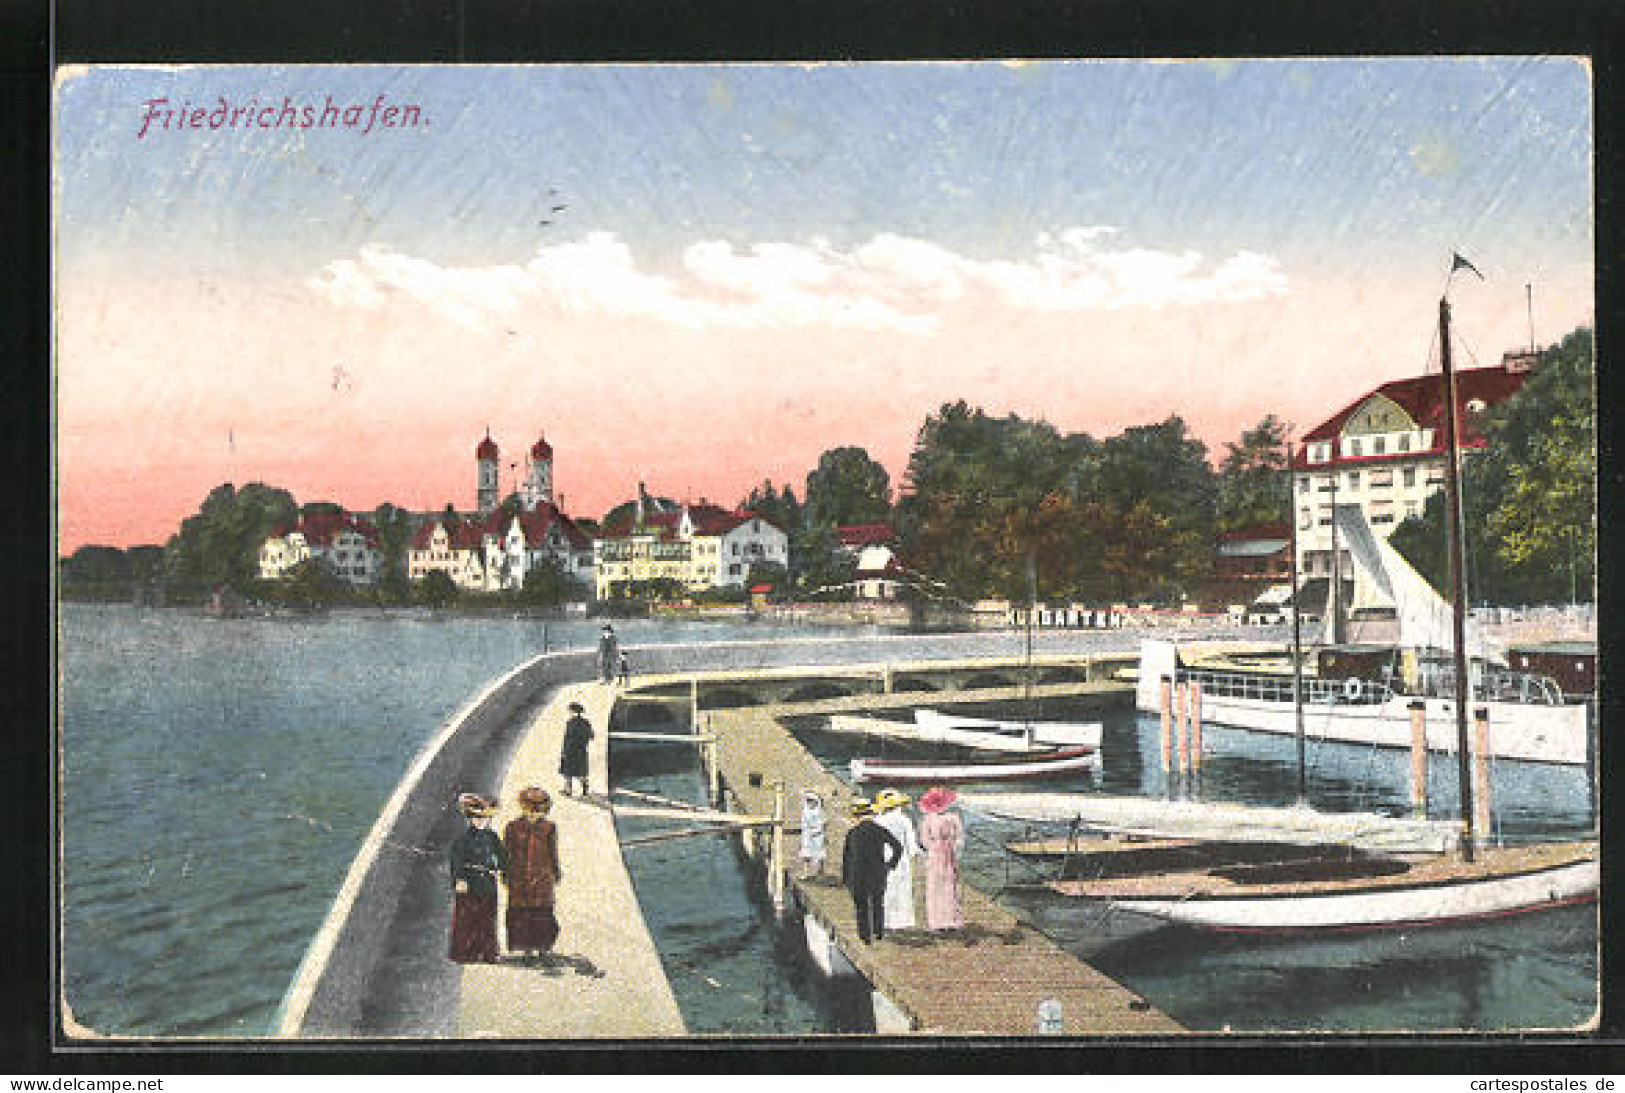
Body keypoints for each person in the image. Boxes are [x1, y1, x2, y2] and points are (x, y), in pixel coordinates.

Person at [503, 786, 563, 961]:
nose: (535, 815)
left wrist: (556, 871)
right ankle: (526, 949)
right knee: (521, 914)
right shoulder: (512, 827)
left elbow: (553, 852)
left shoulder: (549, 828)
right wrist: (506, 874)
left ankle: (544, 948)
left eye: (539, 811)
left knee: (543, 913)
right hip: (519, 876)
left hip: (541, 876)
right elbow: (508, 852)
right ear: (523, 808)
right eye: (531, 811)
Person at [447, 793, 506, 964]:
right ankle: (465, 953)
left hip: (487, 883)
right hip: (469, 884)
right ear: (470, 819)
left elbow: (501, 857)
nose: (481, 821)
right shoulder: (462, 841)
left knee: (487, 919)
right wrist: (459, 880)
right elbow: (456, 862)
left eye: (484, 818)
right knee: (466, 920)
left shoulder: (493, 837)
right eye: (477, 818)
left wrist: (503, 869)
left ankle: (488, 952)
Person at [840, 799, 902, 944]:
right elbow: (897, 847)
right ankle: (878, 933)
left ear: (857, 816)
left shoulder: (852, 833)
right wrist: (890, 864)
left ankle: (865, 936)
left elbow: (846, 858)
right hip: (877, 872)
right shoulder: (879, 830)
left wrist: (845, 877)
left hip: (858, 874)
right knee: (877, 903)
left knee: (861, 905)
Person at [872, 787, 923, 932]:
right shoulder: (904, 820)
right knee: (902, 889)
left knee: (885, 889)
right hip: (901, 859)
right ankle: (901, 921)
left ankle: (885, 921)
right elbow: (911, 844)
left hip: (882, 857)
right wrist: (915, 854)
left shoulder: (878, 820)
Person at [917, 785, 966, 932]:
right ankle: (950, 920)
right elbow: (959, 838)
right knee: (949, 884)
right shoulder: (953, 818)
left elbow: (924, 840)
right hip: (947, 851)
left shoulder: (927, 819)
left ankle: (937, 921)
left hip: (935, 852)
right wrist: (953, 847)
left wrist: (932, 847)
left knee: (935, 885)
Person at [559, 701, 593, 796]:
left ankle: (568, 791)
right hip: (581, 750)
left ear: (572, 711)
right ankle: (585, 788)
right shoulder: (586, 723)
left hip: (570, 750)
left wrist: (564, 751)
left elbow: (567, 738)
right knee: (581, 771)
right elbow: (591, 736)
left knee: (567, 772)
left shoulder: (570, 723)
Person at [798, 789, 826, 879]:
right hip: (807, 834)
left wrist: (817, 831)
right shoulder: (805, 811)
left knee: (818, 854)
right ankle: (805, 873)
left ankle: (818, 872)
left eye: (811, 801)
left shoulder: (819, 811)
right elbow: (804, 823)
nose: (810, 803)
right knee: (806, 855)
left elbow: (823, 823)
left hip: (817, 835)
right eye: (808, 801)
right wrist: (807, 831)